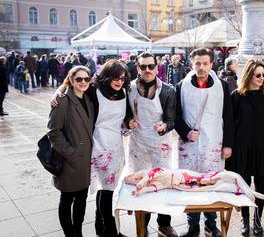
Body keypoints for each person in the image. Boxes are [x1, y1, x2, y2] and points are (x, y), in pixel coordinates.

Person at [51, 59, 134, 237]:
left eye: (122, 78)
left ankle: (100, 228)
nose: (119, 81)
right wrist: (58, 92)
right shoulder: (94, 90)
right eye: (115, 78)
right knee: (105, 191)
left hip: (116, 147)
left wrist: (129, 122)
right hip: (97, 147)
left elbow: (125, 116)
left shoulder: (125, 93)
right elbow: (72, 85)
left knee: (106, 190)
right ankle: (111, 231)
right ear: (107, 77)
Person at [175, 48, 234, 237]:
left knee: (211, 181)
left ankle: (211, 223)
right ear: (192, 64)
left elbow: (229, 116)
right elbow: (175, 115)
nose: (201, 67)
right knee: (190, 182)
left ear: (211, 64)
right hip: (190, 143)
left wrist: (228, 144)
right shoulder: (181, 86)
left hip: (214, 141)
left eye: (205, 63)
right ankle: (192, 225)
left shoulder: (222, 86)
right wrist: (185, 132)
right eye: (197, 63)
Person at [127, 52, 177, 237]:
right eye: (143, 67)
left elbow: (172, 119)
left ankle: (164, 224)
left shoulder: (168, 90)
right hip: (138, 144)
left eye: (151, 66)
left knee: (163, 183)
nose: (147, 70)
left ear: (157, 67)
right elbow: (125, 114)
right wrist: (128, 122)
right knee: (142, 185)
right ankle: (143, 225)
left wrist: (165, 125)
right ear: (137, 68)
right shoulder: (128, 88)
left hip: (160, 145)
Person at [226, 59, 264, 236]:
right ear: (249, 74)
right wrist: (229, 146)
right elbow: (230, 124)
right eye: (258, 75)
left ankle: (257, 221)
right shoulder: (236, 96)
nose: (261, 78)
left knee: (260, 186)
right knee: (244, 186)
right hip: (242, 148)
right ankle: (245, 221)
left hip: (262, 148)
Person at [47, 66, 94, 237]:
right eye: (79, 79)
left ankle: (78, 231)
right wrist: (70, 153)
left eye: (86, 79)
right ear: (71, 80)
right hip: (69, 160)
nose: (83, 82)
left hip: (84, 161)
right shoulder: (62, 100)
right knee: (67, 200)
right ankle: (69, 233)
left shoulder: (88, 99)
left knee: (81, 200)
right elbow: (53, 132)